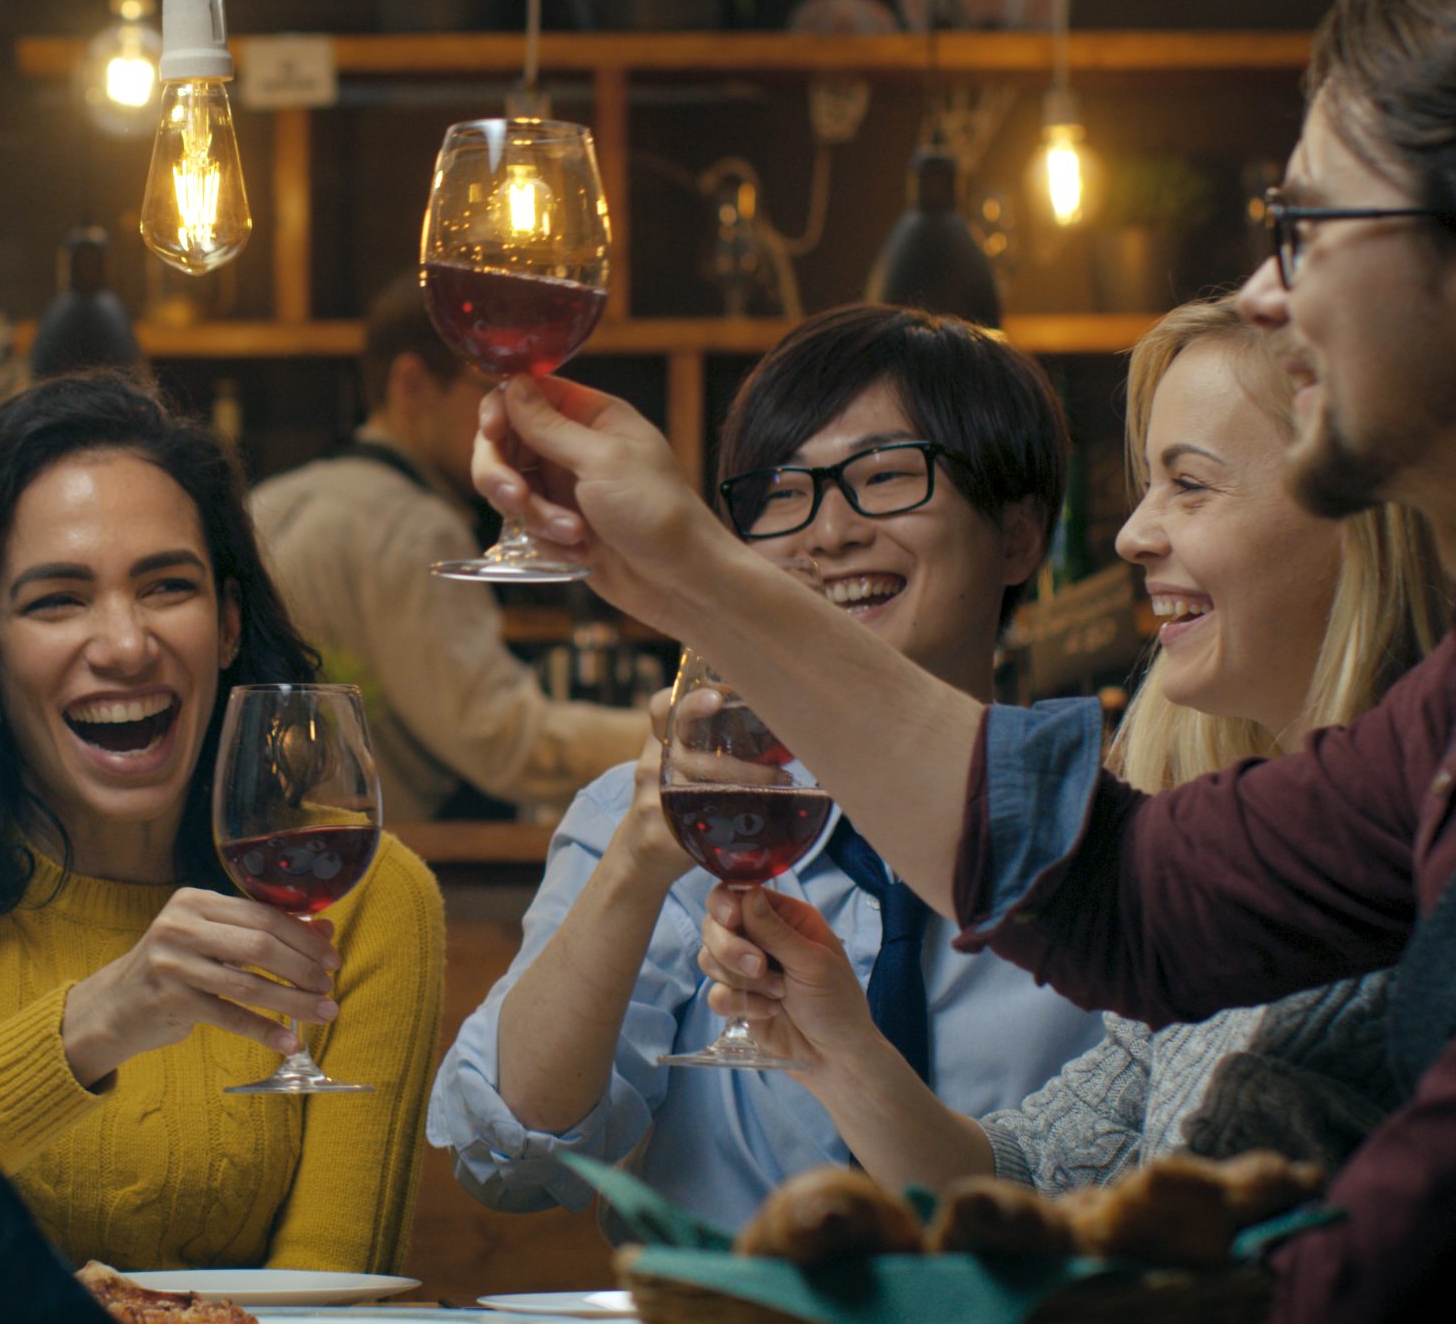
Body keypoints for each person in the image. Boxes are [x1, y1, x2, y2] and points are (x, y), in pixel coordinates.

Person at [465, 0, 1456, 1317]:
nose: (1267, 298)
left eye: (1306, 231)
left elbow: (1404, 1256)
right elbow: (1123, 892)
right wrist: (684, 569)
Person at [692, 297, 1448, 1194]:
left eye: (1190, 485)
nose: (1132, 536)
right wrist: (838, 1052)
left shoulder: (1434, 853)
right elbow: (1040, 1176)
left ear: (1361, 514)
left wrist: (690, 575)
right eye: (1148, 486)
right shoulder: (1227, 850)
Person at [428, 303, 1105, 1231]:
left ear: (1020, 534)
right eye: (782, 492)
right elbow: (508, 1161)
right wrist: (634, 865)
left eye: (885, 476)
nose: (827, 533)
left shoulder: (1107, 841)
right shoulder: (652, 815)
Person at [0, 374, 445, 1273]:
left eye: (167, 587)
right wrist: (96, 1023)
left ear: (228, 625)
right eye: (58, 600)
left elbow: (328, 1292)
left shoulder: (365, 899)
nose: (126, 646)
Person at [250, 279, 644, 821]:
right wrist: (675, 733)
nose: (521, 417)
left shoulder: (269, 500)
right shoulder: (414, 528)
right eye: (495, 389)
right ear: (412, 384)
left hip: (272, 840)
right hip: (385, 852)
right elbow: (504, 741)